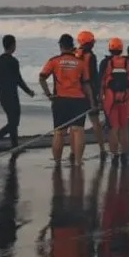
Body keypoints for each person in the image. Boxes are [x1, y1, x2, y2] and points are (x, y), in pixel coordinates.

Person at [39, 33, 93, 164]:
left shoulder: (54, 61)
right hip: (78, 100)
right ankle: (78, 161)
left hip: (60, 100)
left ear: (61, 46)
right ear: (72, 46)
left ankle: (57, 161)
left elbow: (42, 78)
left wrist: (48, 94)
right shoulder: (81, 63)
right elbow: (86, 84)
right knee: (78, 131)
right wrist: (91, 102)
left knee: (59, 132)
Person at [0, 34, 35, 155]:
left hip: (2, 96)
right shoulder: (13, 61)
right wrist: (29, 91)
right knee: (14, 123)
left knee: (12, 121)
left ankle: (15, 146)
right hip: (12, 95)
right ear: (13, 45)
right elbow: (18, 80)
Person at [98, 37, 129, 161]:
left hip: (110, 100)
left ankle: (114, 155)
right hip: (125, 98)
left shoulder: (105, 62)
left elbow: (101, 82)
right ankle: (124, 154)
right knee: (124, 127)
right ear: (121, 49)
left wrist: (99, 99)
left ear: (110, 48)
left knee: (113, 128)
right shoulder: (128, 62)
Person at [75, 30, 107, 158]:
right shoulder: (91, 57)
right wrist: (98, 96)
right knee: (95, 122)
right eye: (92, 41)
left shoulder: (74, 54)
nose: (93, 43)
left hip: (76, 92)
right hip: (89, 92)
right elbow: (94, 77)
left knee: (76, 125)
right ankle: (102, 149)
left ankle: (73, 151)